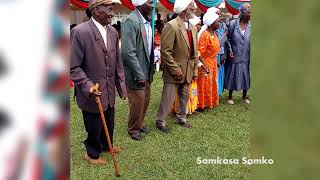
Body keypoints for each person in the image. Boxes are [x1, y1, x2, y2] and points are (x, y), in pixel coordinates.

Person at [70, 0, 127, 165]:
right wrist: (87, 86)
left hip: (108, 90)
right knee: (94, 123)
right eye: (109, 9)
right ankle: (92, 153)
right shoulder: (80, 32)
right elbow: (73, 66)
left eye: (112, 9)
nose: (112, 13)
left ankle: (106, 146)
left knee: (109, 120)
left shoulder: (113, 32)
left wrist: (121, 87)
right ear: (96, 11)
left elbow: (118, 63)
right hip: (91, 92)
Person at [156, 0, 198, 132]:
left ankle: (181, 118)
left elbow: (195, 52)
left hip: (188, 69)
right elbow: (165, 51)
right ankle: (160, 121)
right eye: (191, 6)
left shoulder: (193, 27)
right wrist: (175, 69)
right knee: (168, 98)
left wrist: (195, 70)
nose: (194, 8)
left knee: (184, 96)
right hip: (175, 70)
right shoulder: (171, 26)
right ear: (184, 9)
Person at [121, 0, 155, 141]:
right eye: (150, 2)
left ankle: (139, 124)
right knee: (137, 101)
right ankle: (133, 129)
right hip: (136, 73)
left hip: (146, 70)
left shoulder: (146, 20)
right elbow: (128, 52)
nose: (153, 6)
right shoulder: (131, 21)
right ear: (139, 3)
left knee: (145, 99)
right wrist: (139, 74)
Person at [224, 3, 251, 105]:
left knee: (245, 74)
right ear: (242, 13)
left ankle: (244, 95)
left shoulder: (251, 26)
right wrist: (230, 50)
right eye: (248, 12)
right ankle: (230, 96)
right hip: (235, 53)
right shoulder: (233, 24)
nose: (250, 14)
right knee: (233, 73)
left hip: (246, 54)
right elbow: (228, 39)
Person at [197, 7, 220, 110]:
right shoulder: (205, 35)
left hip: (213, 62)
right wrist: (205, 65)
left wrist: (215, 61)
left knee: (210, 83)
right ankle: (201, 104)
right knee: (203, 84)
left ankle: (208, 102)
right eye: (218, 22)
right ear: (211, 23)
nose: (219, 23)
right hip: (204, 64)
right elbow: (199, 53)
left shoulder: (213, 33)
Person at [215, 9, 232, 96]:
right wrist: (225, 35)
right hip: (214, 54)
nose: (218, 16)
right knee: (215, 73)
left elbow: (227, 42)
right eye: (216, 14)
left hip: (222, 53)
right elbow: (216, 43)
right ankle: (215, 93)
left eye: (219, 14)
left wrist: (228, 52)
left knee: (221, 73)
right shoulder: (211, 27)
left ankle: (219, 92)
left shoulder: (224, 26)